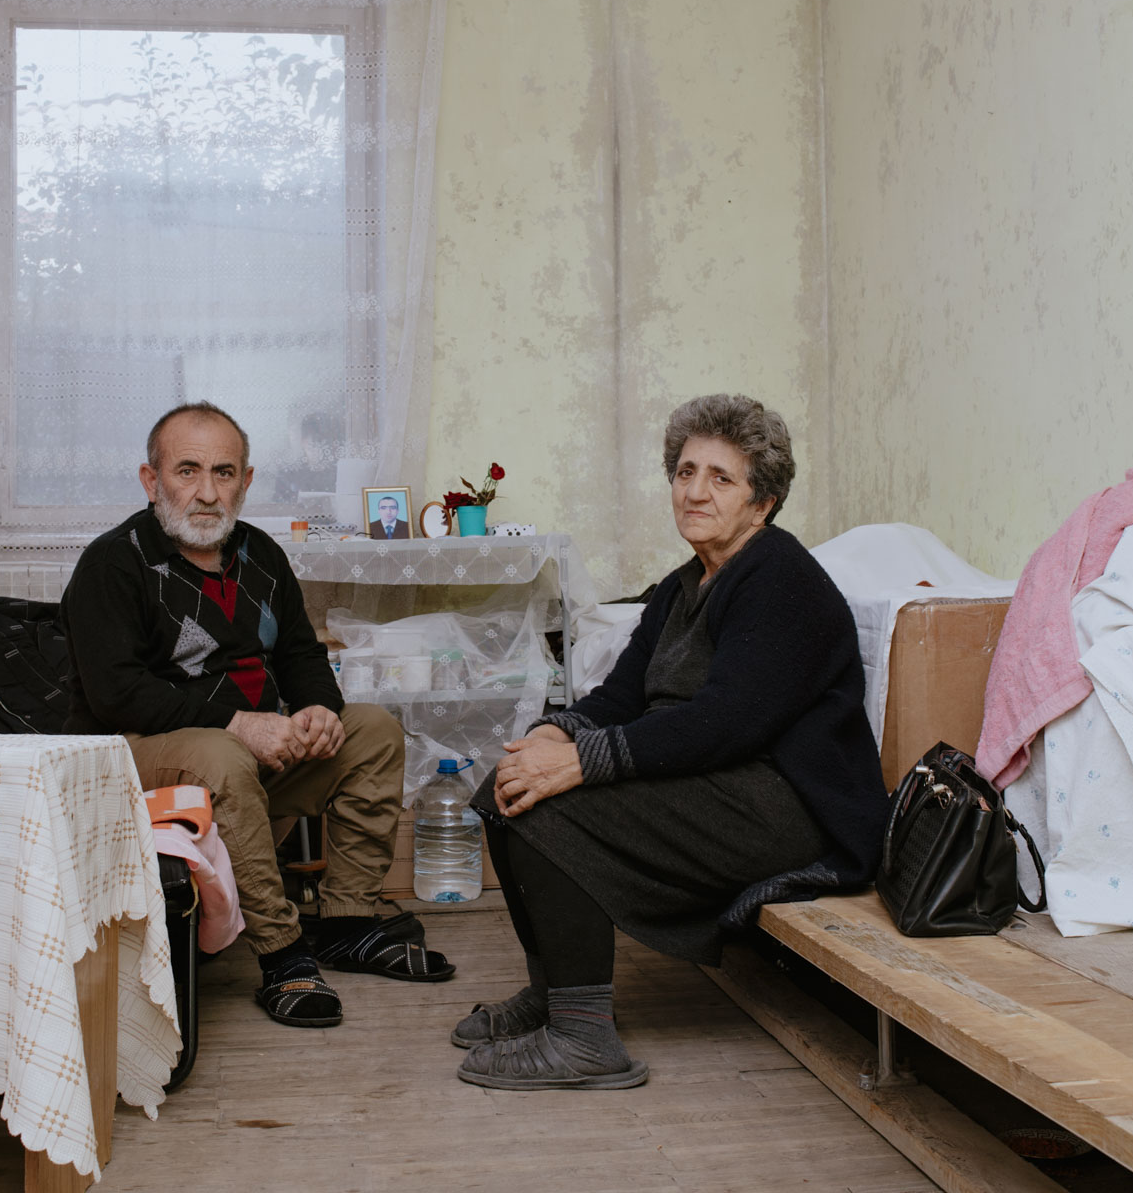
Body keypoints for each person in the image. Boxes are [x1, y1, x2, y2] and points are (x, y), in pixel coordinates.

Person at [452, 393, 888, 1091]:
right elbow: (622, 698)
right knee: (506, 786)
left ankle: (584, 1037)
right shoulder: (684, 587)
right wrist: (548, 735)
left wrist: (582, 765)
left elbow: (726, 722)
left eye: (722, 477)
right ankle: (556, 991)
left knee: (551, 806)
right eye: (686, 472)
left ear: (763, 502)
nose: (695, 491)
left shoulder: (780, 579)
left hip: (789, 805)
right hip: (717, 779)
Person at [60, 402, 453, 1029]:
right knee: (222, 753)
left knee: (373, 730)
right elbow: (117, 693)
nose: (207, 492)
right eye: (187, 471)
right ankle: (281, 952)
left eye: (224, 472)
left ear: (246, 480)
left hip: (251, 751)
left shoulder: (261, 554)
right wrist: (240, 723)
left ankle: (346, 922)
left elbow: (300, 652)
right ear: (150, 479)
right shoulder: (114, 563)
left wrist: (322, 709)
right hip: (140, 751)